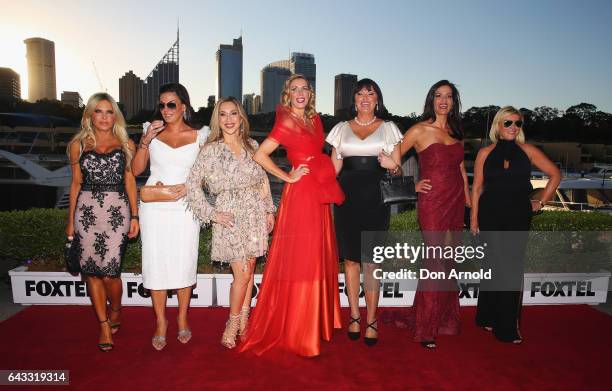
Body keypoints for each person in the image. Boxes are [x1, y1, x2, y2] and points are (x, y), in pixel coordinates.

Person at [238, 74, 344, 357]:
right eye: (294, 89)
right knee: (303, 257)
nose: (300, 93)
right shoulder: (286, 122)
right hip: (300, 195)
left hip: (318, 192)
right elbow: (260, 155)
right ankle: (300, 329)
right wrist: (287, 175)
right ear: (287, 94)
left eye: (304, 89)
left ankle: (314, 321)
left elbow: (320, 152)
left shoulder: (315, 120)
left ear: (311, 93)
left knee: (317, 255)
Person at [184, 97, 275, 349]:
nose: (229, 119)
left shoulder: (253, 145)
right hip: (230, 216)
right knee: (243, 275)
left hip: (254, 212)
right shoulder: (210, 149)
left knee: (249, 270)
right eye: (223, 114)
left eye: (233, 113)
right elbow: (192, 186)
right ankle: (232, 323)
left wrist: (269, 211)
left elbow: (262, 181)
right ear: (217, 120)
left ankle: (244, 320)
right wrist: (212, 213)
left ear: (241, 117)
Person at [470, 106, 561, 344]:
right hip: (490, 215)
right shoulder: (485, 153)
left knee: (510, 269)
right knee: (492, 266)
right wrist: (473, 219)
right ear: (498, 126)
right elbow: (477, 188)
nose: (513, 127)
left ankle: (507, 327)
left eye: (517, 123)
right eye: (508, 122)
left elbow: (555, 174)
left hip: (517, 217)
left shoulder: (528, 151)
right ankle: (487, 317)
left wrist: (540, 202)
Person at [131, 83, 210, 351]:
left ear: (184, 106)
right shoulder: (149, 131)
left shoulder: (201, 135)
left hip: (186, 206)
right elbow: (136, 169)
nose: (165, 110)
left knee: (183, 260)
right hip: (154, 206)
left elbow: (208, 174)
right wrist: (145, 141)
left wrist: (189, 187)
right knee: (155, 262)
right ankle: (161, 322)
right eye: (162, 105)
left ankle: (183, 317)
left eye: (171, 104)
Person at [326, 78, 403, 346]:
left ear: (377, 98)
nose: (365, 98)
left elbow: (398, 169)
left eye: (370, 93)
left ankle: (371, 319)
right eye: (360, 94)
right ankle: (354, 316)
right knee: (350, 261)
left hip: (376, 202)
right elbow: (332, 171)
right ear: (354, 100)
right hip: (346, 201)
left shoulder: (389, 129)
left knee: (372, 263)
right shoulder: (340, 129)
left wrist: (390, 163)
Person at [399, 80, 471, 349]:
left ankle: (445, 320)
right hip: (431, 203)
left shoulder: (456, 131)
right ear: (431, 99)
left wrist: (469, 205)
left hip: (455, 202)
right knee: (435, 263)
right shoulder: (419, 130)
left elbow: (462, 170)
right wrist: (412, 185)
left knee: (449, 263)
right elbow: (393, 160)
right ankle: (426, 328)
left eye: (449, 96)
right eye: (439, 96)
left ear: (454, 102)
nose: (444, 100)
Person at [66, 93, 139, 352]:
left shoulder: (126, 143)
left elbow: (130, 181)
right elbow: (75, 183)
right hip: (86, 211)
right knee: (92, 273)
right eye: (99, 111)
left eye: (110, 112)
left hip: (116, 211)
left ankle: (116, 308)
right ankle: (104, 324)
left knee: (111, 273)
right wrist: (71, 221)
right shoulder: (78, 145)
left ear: (115, 116)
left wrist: (134, 215)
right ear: (89, 115)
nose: (105, 117)